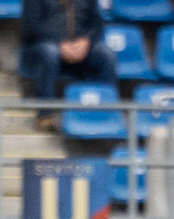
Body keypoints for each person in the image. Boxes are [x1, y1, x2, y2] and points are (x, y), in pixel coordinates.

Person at [21, 0, 116, 131]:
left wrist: (87, 41)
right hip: (42, 48)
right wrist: (59, 43)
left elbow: (96, 23)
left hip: (80, 48)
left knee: (106, 55)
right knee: (50, 52)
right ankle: (46, 115)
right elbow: (31, 28)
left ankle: (107, 112)